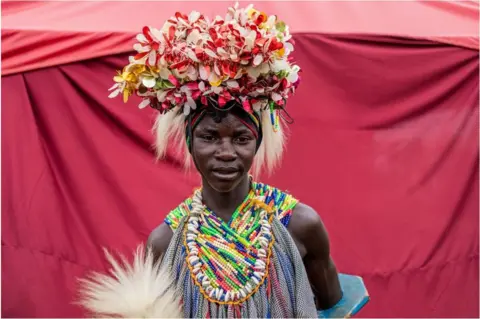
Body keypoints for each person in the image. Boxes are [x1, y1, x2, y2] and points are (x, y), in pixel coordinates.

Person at [78, 3, 350, 318]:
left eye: (241, 139)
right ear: (190, 144)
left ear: (258, 143)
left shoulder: (301, 225)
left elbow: (336, 305)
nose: (225, 152)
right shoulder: (166, 244)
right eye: (209, 137)